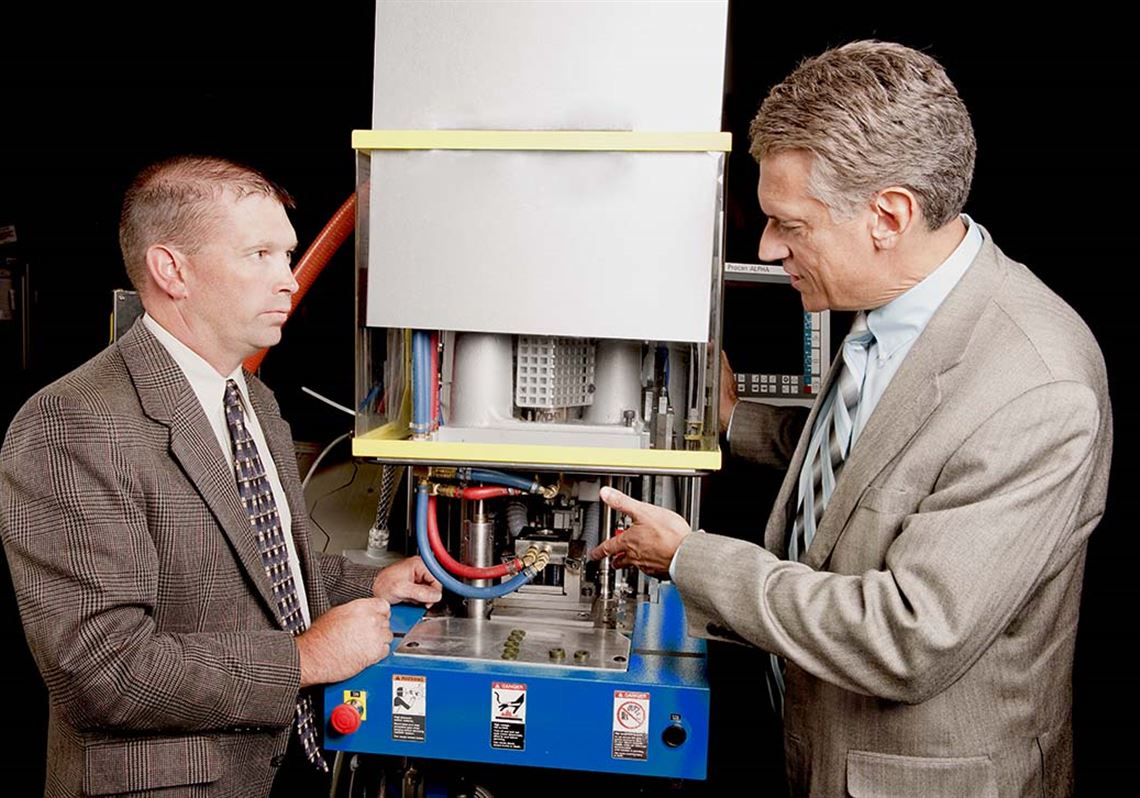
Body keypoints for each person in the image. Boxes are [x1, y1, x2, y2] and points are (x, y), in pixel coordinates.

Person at [590, 41, 1112, 797]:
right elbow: (882, 455)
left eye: (791, 225)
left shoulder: (1036, 389)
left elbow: (908, 635)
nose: (768, 248)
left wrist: (688, 559)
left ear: (887, 216)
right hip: (817, 741)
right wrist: (736, 421)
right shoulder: (898, 303)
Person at [0, 155, 442, 798]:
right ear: (171, 270)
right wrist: (305, 658)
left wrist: (370, 583)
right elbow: (99, 669)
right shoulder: (74, 422)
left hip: (282, 765)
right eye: (259, 255)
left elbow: (266, 574)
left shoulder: (252, 400)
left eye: (286, 255)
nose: (288, 280)